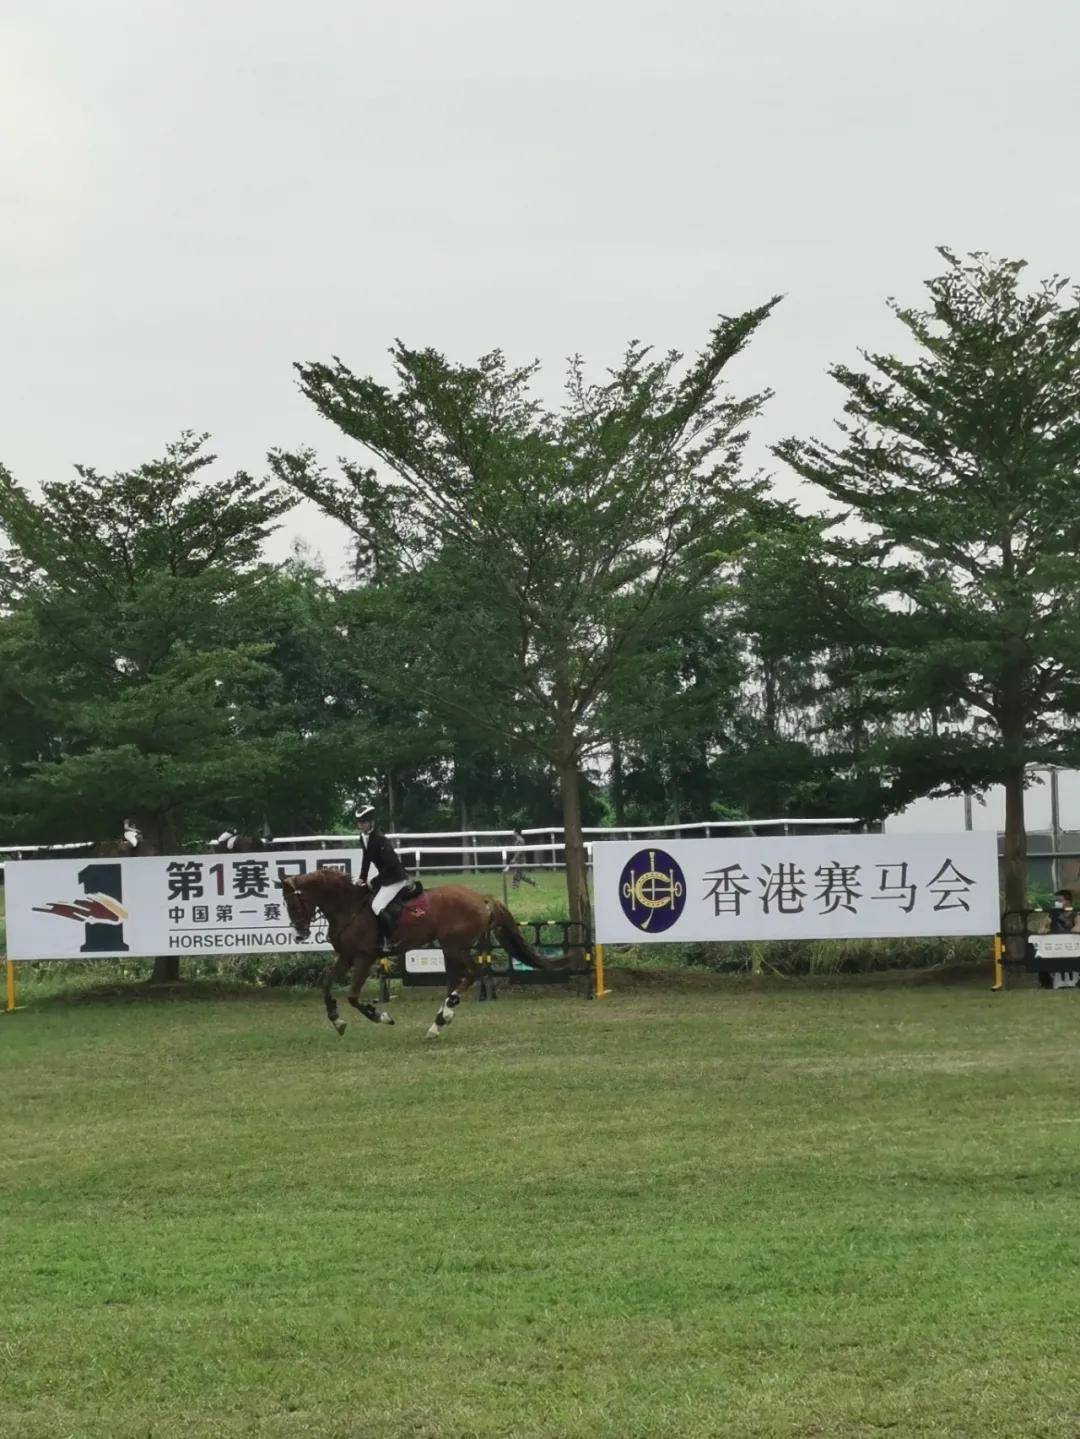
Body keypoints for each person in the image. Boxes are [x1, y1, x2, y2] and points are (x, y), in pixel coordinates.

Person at [356, 804, 410, 949]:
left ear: (371, 822)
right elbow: (366, 858)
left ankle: (393, 939)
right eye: (359, 822)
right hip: (385, 877)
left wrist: (374, 881)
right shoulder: (363, 837)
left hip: (395, 878)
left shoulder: (381, 840)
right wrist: (362, 878)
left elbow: (392, 865)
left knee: (376, 906)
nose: (360, 825)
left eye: (363, 822)